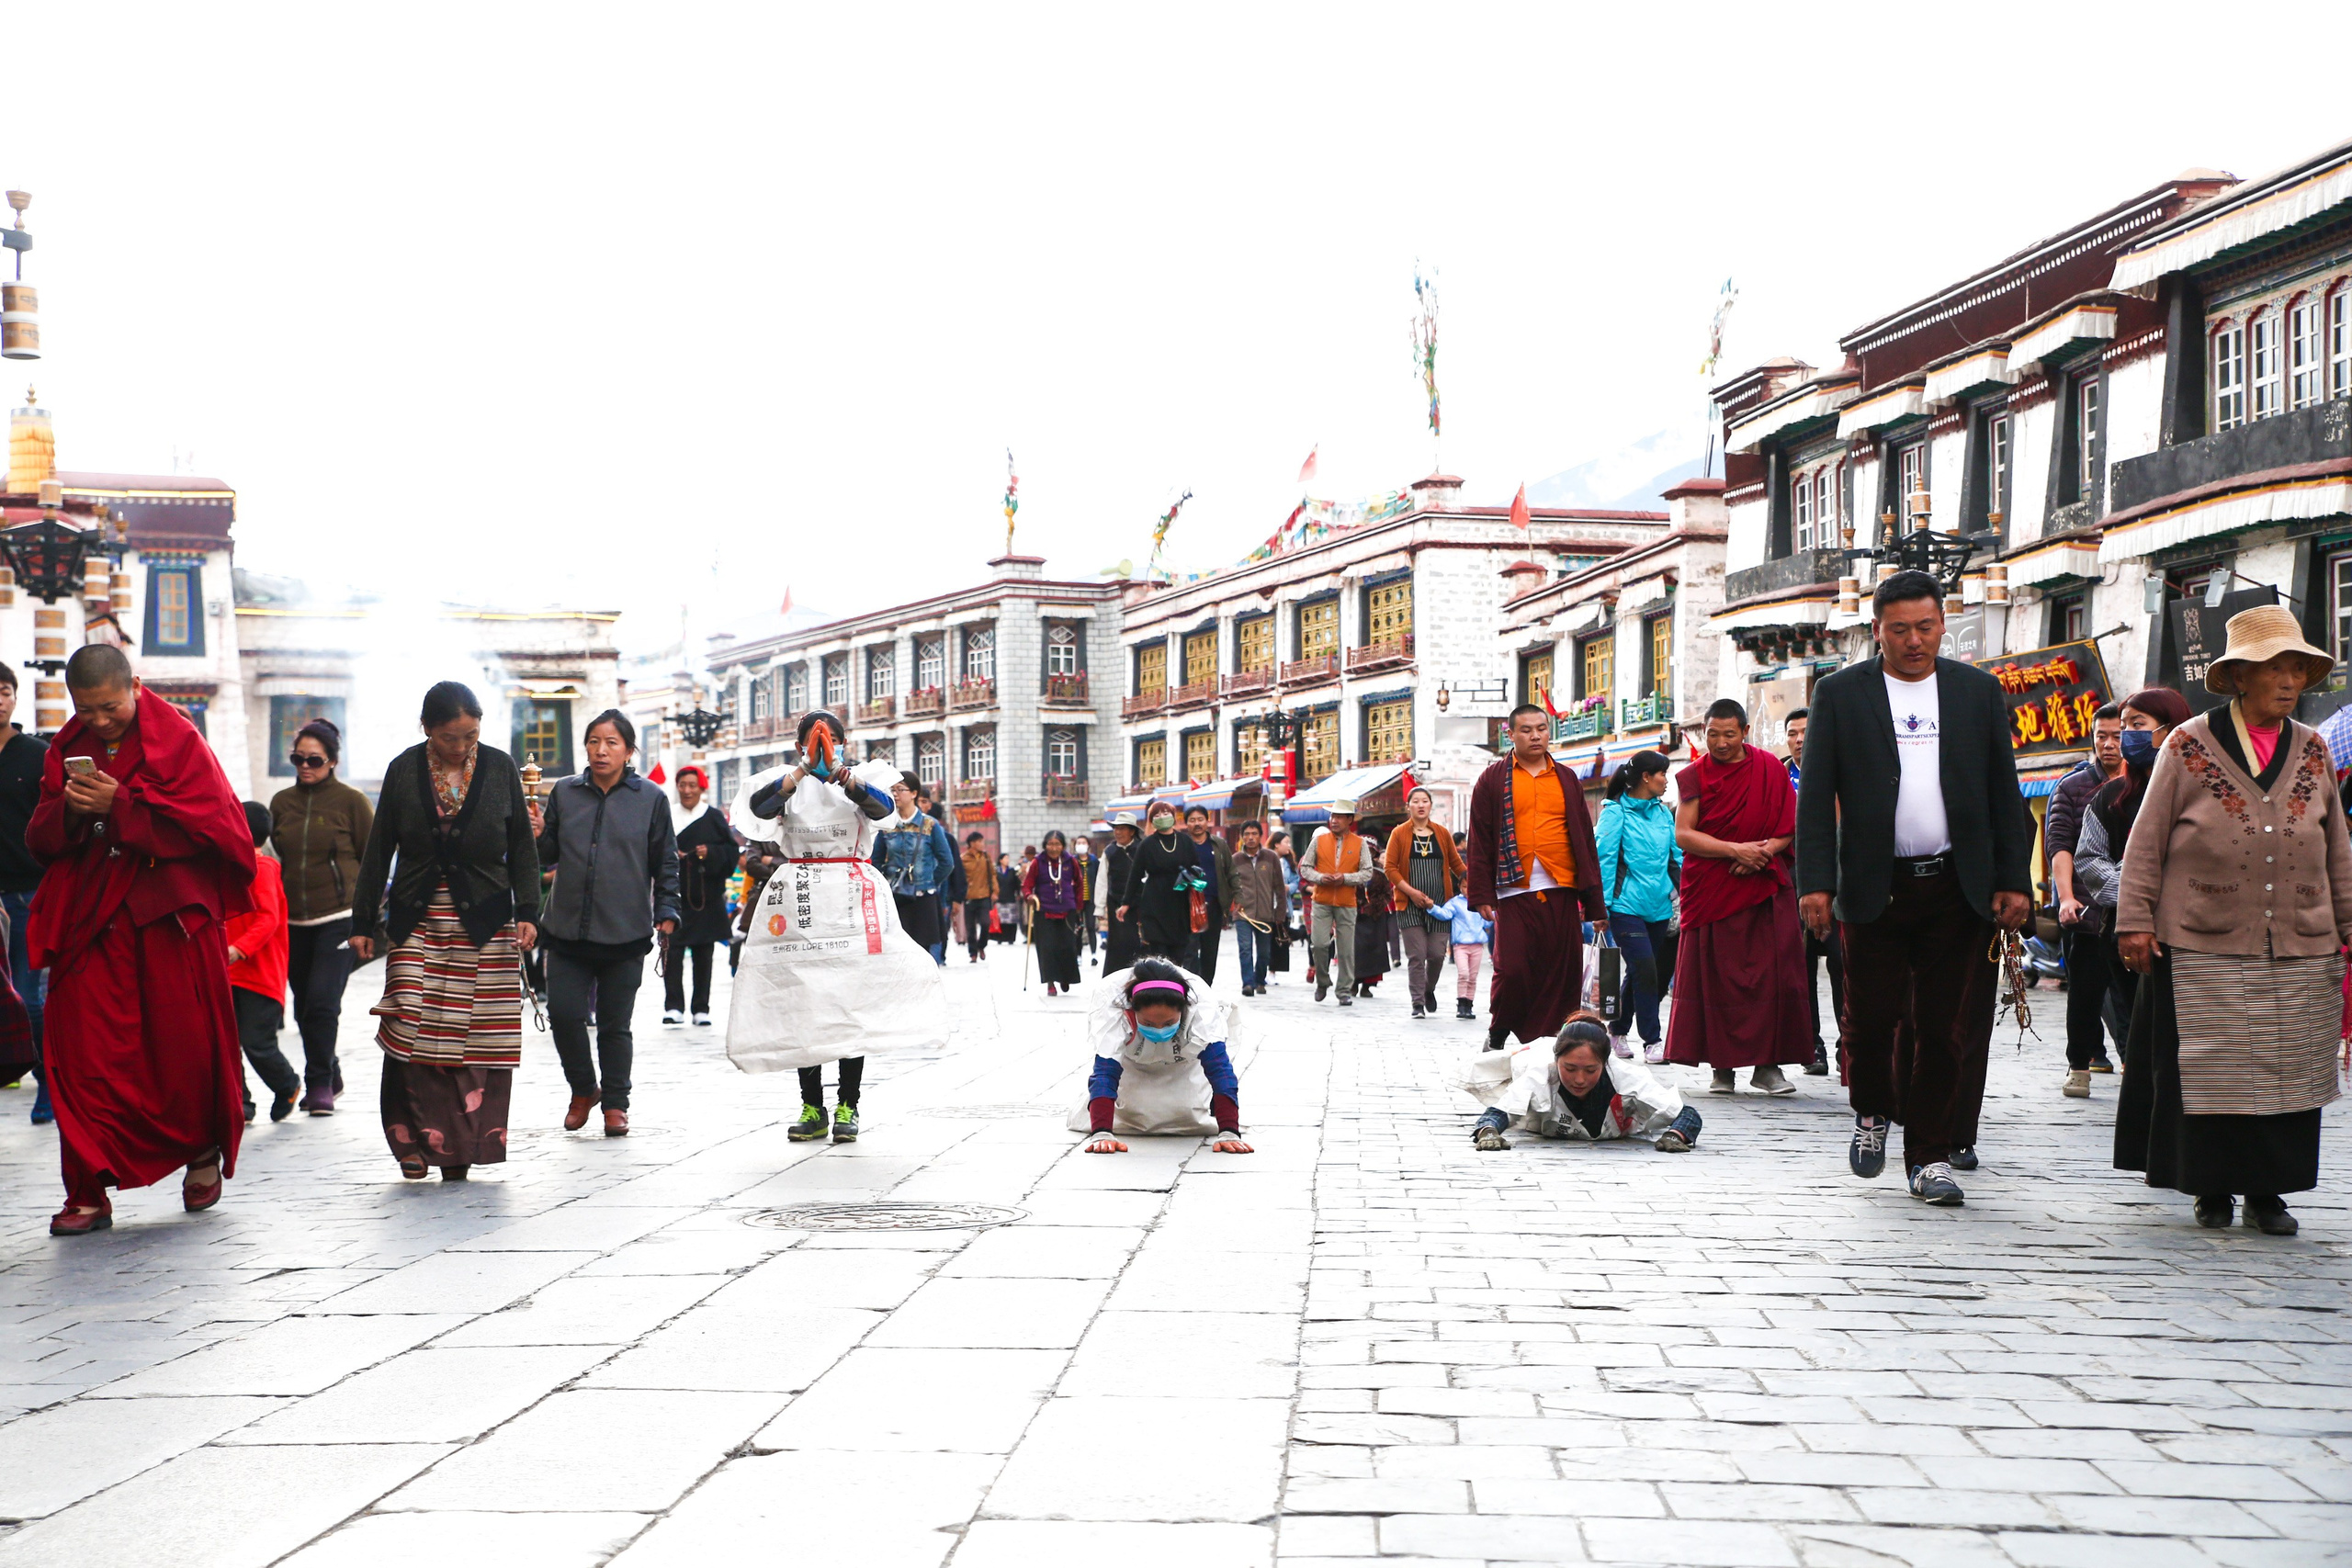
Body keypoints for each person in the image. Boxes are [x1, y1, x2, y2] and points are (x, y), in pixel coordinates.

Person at [1796, 570, 2032, 1207]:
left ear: (1942, 623)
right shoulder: (1842, 695)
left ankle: (1928, 1155)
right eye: (1899, 629)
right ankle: (1872, 1111)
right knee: (1870, 1020)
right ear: (1877, 629)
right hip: (1875, 887)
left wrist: (2015, 880)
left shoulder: (1976, 692)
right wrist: (1815, 882)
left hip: (1956, 887)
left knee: (1944, 1026)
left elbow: (2003, 793)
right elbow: (1815, 797)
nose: (1914, 640)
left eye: (1925, 627)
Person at [2114, 610, 2351, 1236]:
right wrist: (2134, 919)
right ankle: (2210, 1188)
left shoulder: (2315, 747)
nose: (2291, 679)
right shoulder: (2187, 745)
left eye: (2298, 667)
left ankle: (2268, 1193)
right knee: (2213, 1067)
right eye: (2277, 666)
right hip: (2201, 937)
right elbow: (2147, 841)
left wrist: (2348, 925)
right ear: (2241, 675)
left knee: (2288, 1066)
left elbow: (2338, 849)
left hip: (2300, 938)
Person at [33, 645, 251, 1235]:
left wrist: (120, 804)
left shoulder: (178, 739)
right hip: (92, 920)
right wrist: (75, 813)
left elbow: (215, 829)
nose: (99, 721)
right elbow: (41, 835)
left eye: (110, 707)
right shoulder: (65, 746)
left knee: (181, 1044)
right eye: (87, 710)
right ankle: (86, 1190)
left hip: (166, 918)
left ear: (134, 685)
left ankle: (201, 1150)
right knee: (79, 1051)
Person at [728, 708, 947, 1145]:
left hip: (851, 893)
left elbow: (884, 812)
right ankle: (812, 1104)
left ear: (845, 744)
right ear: (798, 747)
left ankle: (850, 1102)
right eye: (812, 742)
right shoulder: (785, 781)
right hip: (801, 892)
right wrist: (804, 770)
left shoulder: (865, 778)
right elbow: (759, 809)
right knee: (803, 1000)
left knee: (853, 999)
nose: (823, 747)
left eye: (829, 741)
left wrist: (843, 776)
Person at [352, 681, 539, 1181]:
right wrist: (363, 920)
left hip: (485, 918)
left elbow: (522, 845)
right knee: (410, 1027)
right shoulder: (403, 770)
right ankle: (411, 1141)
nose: (461, 747)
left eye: (470, 736)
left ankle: (460, 1148)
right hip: (417, 916)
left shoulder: (498, 768)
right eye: (450, 738)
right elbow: (379, 849)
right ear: (427, 729)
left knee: (475, 1037)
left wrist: (529, 912)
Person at [532, 710, 679, 1137]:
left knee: (615, 1026)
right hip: (566, 928)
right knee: (563, 1014)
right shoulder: (564, 792)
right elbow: (545, 856)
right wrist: (538, 833)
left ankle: (616, 1103)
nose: (600, 750)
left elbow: (665, 861)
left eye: (611, 742)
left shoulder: (650, 798)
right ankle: (583, 1089)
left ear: (629, 751)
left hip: (625, 930)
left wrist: (667, 912)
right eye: (594, 741)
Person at [1667, 700, 1808, 1095]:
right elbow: (1685, 834)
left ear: (1745, 732)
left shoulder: (1768, 769)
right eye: (1713, 734)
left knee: (1773, 975)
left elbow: (1788, 825)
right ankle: (1722, 1069)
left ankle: (1768, 1066)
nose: (1721, 743)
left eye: (1730, 734)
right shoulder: (1694, 774)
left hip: (1763, 885)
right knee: (1715, 978)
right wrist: (1736, 851)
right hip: (1714, 886)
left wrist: (1760, 854)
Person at [1466, 705, 1605, 1050]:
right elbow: (1480, 837)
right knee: (1512, 969)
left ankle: (1555, 1037)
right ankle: (1500, 1029)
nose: (1535, 736)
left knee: (1562, 970)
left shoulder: (1566, 778)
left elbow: (1586, 841)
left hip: (1561, 886)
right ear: (1510, 735)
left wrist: (1595, 902)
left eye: (1542, 729)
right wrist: (1481, 893)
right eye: (1526, 730)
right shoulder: (1494, 778)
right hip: (1514, 888)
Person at [2073, 687, 2191, 1087]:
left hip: (2193, 933)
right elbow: (2088, 860)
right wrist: (2136, 890)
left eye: (2137, 726)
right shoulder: (2110, 797)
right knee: (2141, 1035)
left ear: (2171, 728)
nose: (2126, 736)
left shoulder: (2203, 790)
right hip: (2127, 935)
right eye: (2123, 727)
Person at [268, 717, 374, 1115]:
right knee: (302, 1007)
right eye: (298, 758)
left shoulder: (351, 801)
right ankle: (330, 1068)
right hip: (292, 922)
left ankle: (319, 1086)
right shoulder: (282, 803)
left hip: (340, 917)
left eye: (314, 759)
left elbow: (372, 859)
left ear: (332, 761)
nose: (305, 766)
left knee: (322, 1003)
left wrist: (369, 917)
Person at [1073, 955, 1251, 1153]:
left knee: (1186, 1115)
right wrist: (1102, 1132)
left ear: (1183, 1009)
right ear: (1132, 1007)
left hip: (1183, 1061)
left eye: (1168, 1023)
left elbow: (1219, 1068)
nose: (1159, 1030)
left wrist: (1229, 1131)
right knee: (1130, 1115)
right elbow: (1106, 1069)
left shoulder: (1201, 1003)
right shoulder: (1110, 999)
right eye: (1148, 1024)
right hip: (1132, 1063)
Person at [1461, 1010, 1702, 1153]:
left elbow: (1686, 1113)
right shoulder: (1541, 1074)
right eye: (1570, 1068)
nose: (1579, 1079)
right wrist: (1488, 1133)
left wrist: (1675, 1135)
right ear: (1557, 1061)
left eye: (1590, 1070)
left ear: (1605, 1064)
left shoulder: (1627, 1077)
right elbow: (1498, 1112)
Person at [2043, 703, 2125, 1089]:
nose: (2109, 745)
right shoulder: (2072, 788)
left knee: (2134, 995)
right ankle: (2080, 1064)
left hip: (2133, 909)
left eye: (2118, 735)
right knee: (2085, 995)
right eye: (2101, 736)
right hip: (2087, 910)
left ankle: (2135, 1062)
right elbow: (2059, 845)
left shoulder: (2149, 784)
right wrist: (2065, 898)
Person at [1594, 751, 1679, 1061]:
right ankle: (1653, 1041)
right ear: (1646, 777)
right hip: (1624, 907)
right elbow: (1604, 860)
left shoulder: (1663, 814)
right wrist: (1600, 907)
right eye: (1662, 774)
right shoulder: (1615, 813)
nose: (1666, 780)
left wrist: (1684, 893)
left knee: (1642, 970)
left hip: (1659, 907)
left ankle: (1617, 1031)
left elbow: (1676, 858)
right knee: (1645, 968)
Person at [227, 801, 300, 1124]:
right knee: (227, 1043)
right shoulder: (227, 867)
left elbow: (268, 919)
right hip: (227, 972)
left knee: (257, 1042)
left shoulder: (264, 868)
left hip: (258, 973)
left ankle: (287, 1083)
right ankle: (241, 1103)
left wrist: (238, 949)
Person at [0, 662, 50, 1122]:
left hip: (27, 893)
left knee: (29, 996)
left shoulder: (34, 755)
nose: (0, 699)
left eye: (5, 691)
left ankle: (48, 1086)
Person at [1783, 708, 1843, 1076]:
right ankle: (1812, 1046)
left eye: (1807, 731)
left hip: (1838, 883)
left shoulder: (1841, 771)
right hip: (1790, 883)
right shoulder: (1775, 775)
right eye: (1793, 733)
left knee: (1842, 964)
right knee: (1798, 969)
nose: (1800, 739)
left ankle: (1845, 1045)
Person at [664, 764, 737, 1026]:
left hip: (706, 898)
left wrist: (710, 853)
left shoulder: (714, 816)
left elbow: (730, 854)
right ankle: (673, 1006)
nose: (687, 790)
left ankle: (701, 1008)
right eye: (682, 785)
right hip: (674, 895)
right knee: (671, 953)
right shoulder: (667, 815)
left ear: (702, 788)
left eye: (692, 785)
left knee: (703, 955)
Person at [1387, 786, 1467, 1020]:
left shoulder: (1442, 833)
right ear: (1409, 806)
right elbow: (1390, 868)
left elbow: (1456, 865)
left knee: (1436, 954)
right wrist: (1411, 893)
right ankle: (1417, 1003)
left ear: (1430, 806)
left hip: (1440, 906)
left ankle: (1428, 989)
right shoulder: (1399, 833)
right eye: (1415, 801)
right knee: (1416, 955)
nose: (1420, 805)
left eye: (1425, 801)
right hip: (1409, 904)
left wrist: (1473, 882)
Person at [872, 771, 956, 967]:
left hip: (923, 898)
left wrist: (929, 881)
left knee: (923, 955)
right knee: (897, 953)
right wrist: (886, 882)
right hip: (896, 897)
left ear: (914, 793)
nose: (895, 794)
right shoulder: (887, 825)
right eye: (892, 790)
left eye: (900, 789)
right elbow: (876, 861)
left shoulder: (929, 824)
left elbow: (947, 862)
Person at [1300, 801, 1375, 1004]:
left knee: (1346, 949)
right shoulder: (1318, 841)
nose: (1334, 820)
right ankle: (1322, 980)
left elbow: (1367, 872)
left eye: (1339, 816)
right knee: (1319, 944)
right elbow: (1305, 868)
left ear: (1350, 820)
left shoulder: (1359, 844)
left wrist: (1345, 879)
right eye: (1332, 816)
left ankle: (1343, 990)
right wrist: (1320, 878)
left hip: (1347, 902)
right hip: (1321, 900)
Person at [1117, 804, 1198, 961]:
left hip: (1180, 902)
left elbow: (1197, 869)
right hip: (1154, 902)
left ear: (1174, 816)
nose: (1162, 817)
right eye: (1157, 815)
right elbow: (1135, 874)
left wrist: (1188, 883)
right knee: (1159, 953)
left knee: (1178, 953)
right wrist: (1125, 903)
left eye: (1166, 813)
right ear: (1151, 821)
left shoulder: (1185, 841)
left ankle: (1176, 984)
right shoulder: (1147, 845)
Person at [1023, 829, 1086, 995]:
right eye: (1050, 844)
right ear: (1045, 845)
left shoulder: (1070, 861)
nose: (1053, 848)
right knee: (1047, 948)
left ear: (1063, 846)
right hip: (1043, 910)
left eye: (1057, 844)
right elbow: (1028, 884)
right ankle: (1050, 983)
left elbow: (1079, 884)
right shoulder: (1038, 862)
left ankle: (1066, 977)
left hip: (1067, 910)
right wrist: (1029, 896)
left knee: (1067, 946)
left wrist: (1079, 905)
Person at [1229, 819, 1286, 998]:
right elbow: (1229, 885)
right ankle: (1248, 983)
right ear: (1242, 837)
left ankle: (1259, 980)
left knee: (1264, 953)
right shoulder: (1235, 859)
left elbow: (1279, 887)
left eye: (1254, 834)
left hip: (1265, 913)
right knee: (1245, 949)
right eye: (1247, 834)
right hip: (1243, 913)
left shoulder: (1271, 857)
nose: (1250, 837)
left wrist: (1280, 912)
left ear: (1261, 836)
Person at [1181, 806, 1235, 983]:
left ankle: (1206, 988)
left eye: (1200, 819)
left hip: (1213, 905)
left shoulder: (1219, 844)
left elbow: (1231, 872)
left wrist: (1238, 898)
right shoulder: (1181, 844)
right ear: (1186, 823)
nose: (1197, 824)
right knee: (1189, 950)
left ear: (1207, 821)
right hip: (1187, 907)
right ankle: (1191, 989)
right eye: (1192, 820)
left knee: (1210, 952)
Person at [1431, 891, 1489, 1020]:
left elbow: (1487, 921)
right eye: (1464, 886)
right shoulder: (1455, 903)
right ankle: (1461, 1004)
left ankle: (1469, 1005)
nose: (1467, 890)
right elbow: (1444, 914)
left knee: (1473, 977)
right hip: (1460, 945)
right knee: (1464, 974)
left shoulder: (1480, 902)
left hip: (1477, 944)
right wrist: (1431, 907)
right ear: (1460, 886)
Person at [1352, 829, 1395, 998]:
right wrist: (1358, 905)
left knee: (1374, 951)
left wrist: (1376, 906)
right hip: (1355, 916)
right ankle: (1353, 983)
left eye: (1369, 850)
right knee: (1356, 951)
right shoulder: (1351, 869)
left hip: (1376, 917)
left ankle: (1368, 985)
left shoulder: (1381, 872)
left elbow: (1387, 894)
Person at [1102, 814, 1143, 971]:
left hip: (1138, 903)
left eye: (1122, 829)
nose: (1118, 832)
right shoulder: (1110, 851)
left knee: (1137, 941)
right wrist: (1099, 908)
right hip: (1115, 902)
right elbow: (1102, 881)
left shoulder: (1141, 848)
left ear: (1132, 831)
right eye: (1116, 829)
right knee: (1118, 942)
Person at [1268, 829, 1298, 984]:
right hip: (1266, 907)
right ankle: (1263, 970)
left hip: (1283, 907)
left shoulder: (1288, 863)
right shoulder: (1265, 860)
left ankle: (1272, 972)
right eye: (1286, 842)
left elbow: (1296, 881)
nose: (1289, 845)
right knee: (1266, 941)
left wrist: (1289, 888)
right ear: (1276, 844)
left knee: (1279, 940)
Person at [960, 831, 996, 962]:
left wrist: (995, 891)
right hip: (969, 897)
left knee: (986, 923)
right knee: (970, 929)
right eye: (980, 842)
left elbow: (992, 874)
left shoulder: (986, 857)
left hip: (984, 896)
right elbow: (960, 878)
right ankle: (973, 953)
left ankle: (982, 946)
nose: (982, 844)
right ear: (972, 843)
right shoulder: (963, 858)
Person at [1071, 832, 1100, 964]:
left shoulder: (1094, 861)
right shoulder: (1072, 861)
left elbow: (1100, 880)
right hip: (1077, 900)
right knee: (1078, 927)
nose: (1081, 845)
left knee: (1091, 926)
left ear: (1088, 845)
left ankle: (1094, 954)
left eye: (1083, 843)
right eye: (1078, 843)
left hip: (1091, 900)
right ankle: (1078, 956)